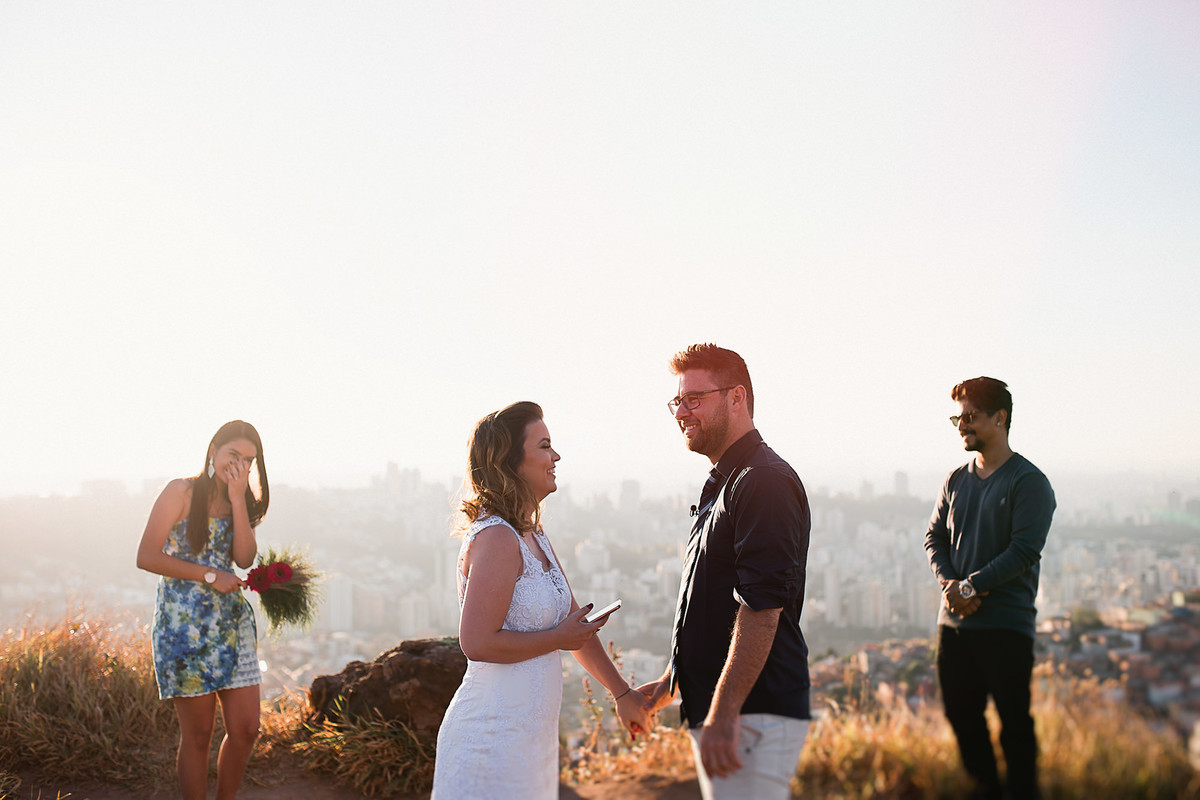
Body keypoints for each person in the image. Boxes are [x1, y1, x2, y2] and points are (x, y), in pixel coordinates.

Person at [432, 401, 652, 799]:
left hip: (531, 743)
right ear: (510, 462)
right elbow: (476, 642)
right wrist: (557, 639)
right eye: (545, 446)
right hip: (490, 741)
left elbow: (573, 624)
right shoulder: (497, 538)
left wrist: (622, 693)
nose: (556, 457)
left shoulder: (533, 535)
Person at [638, 344, 812, 800]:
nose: (682, 412)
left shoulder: (763, 480)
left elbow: (761, 608)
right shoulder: (726, 481)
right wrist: (673, 678)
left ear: (737, 398)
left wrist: (724, 712)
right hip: (734, 714)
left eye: (694, 399)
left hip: (752, 715)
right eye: (678, 401)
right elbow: (712, 601)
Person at [924, 377, 1055, 800]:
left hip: (1006, 626)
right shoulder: (955, 480)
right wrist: (951, 585)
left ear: (1000, 418)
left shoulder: (1029, 481)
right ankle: (987, 789)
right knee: (961, 715)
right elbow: (934, 538)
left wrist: (970, 587)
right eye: (957, 419)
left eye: (970, 417)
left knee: (1014, 724)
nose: (961, 425)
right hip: (955, 626)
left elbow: (1024, 551)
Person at [136, 420, 269, 800]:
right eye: (233, 454)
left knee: (246, 729)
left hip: (231, 626)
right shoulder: (180, 491)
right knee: (198, 735)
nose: (239, 465)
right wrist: (209, 575)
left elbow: (244, 558)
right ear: (213, 451)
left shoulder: (242, 500)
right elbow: (146, 556)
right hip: (184, 628)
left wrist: (239, 498)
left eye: (248, 460)